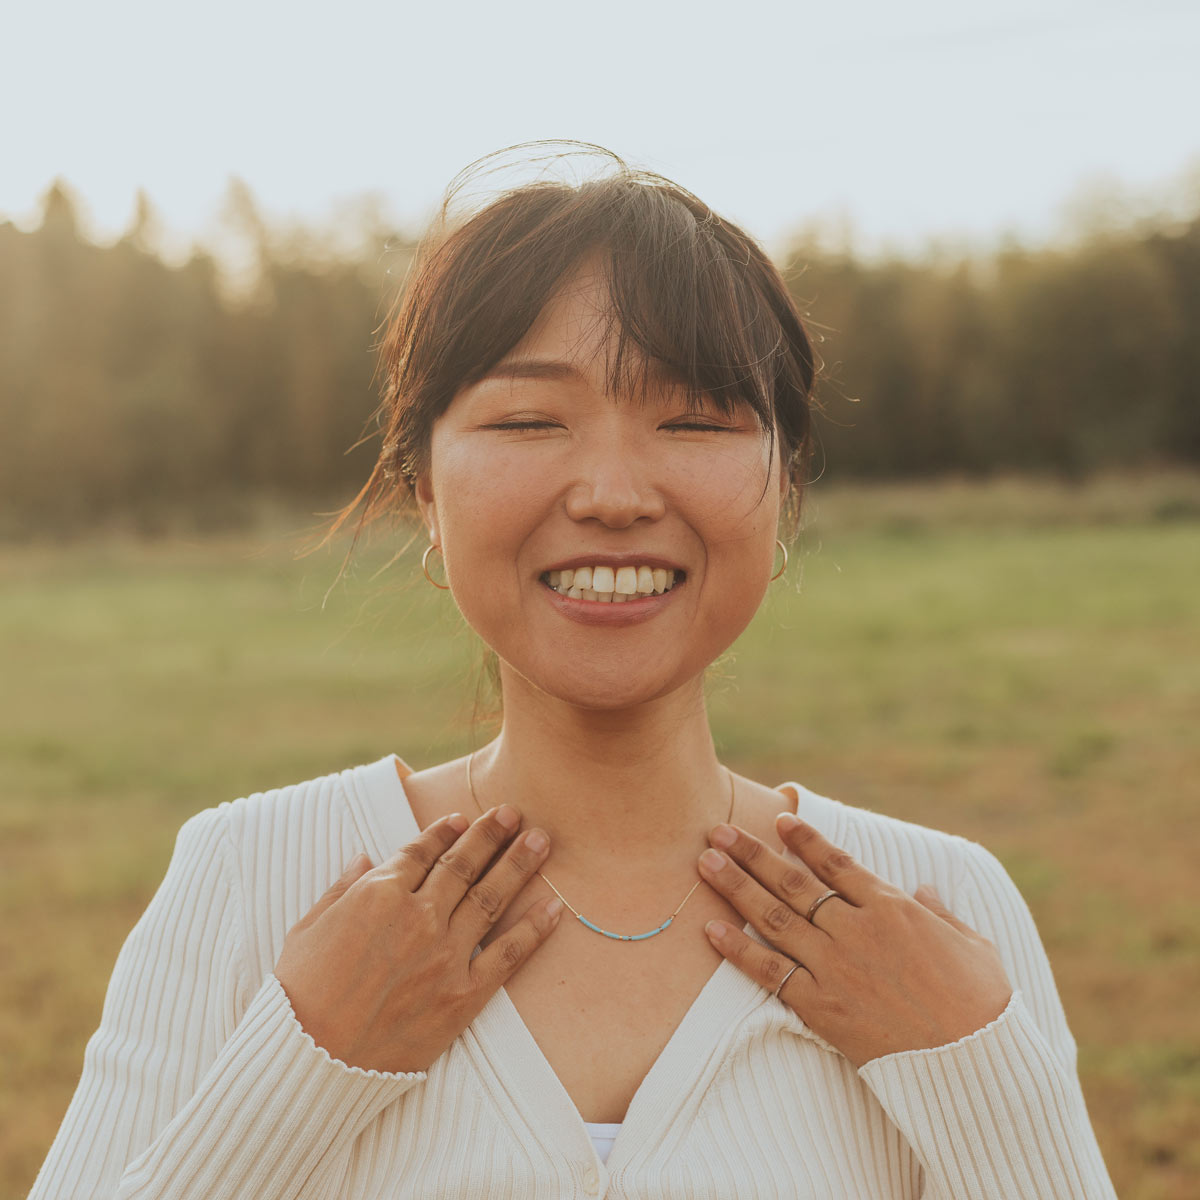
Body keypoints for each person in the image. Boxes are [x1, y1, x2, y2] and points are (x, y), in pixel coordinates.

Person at [30, 144, 1117, 1199]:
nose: (611, 492)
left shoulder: (943, 912)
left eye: (692, 418)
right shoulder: (248, 879)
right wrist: (308, 1056)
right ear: (425, 495)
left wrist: (973, 1066)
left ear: (784, 492)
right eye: (529, 418)